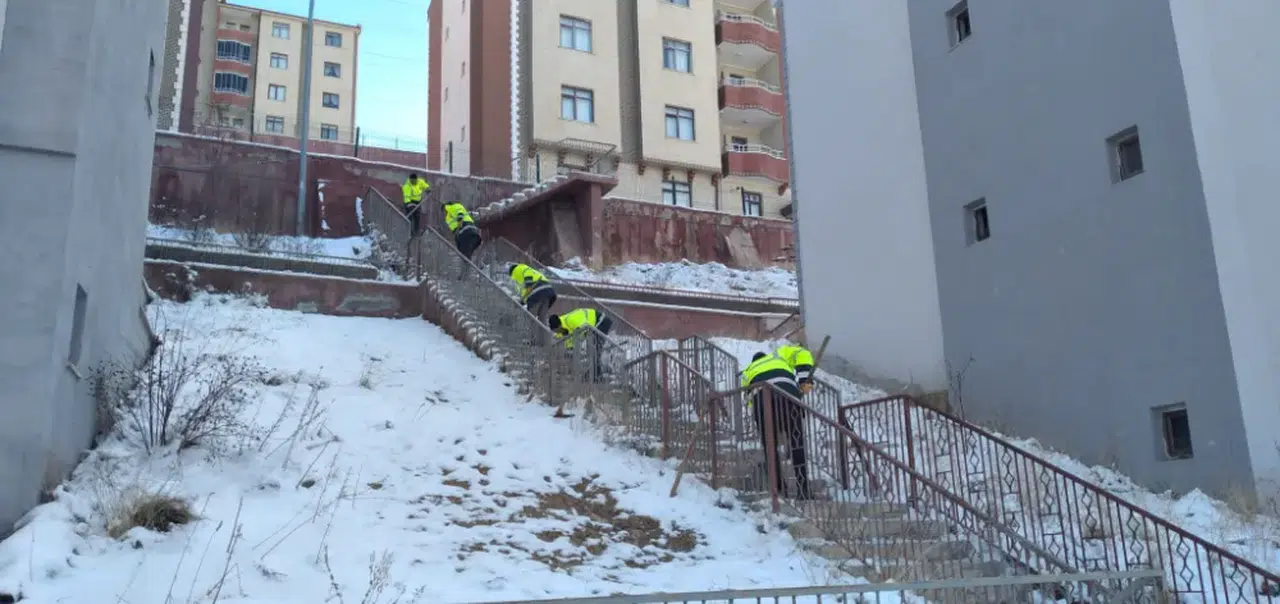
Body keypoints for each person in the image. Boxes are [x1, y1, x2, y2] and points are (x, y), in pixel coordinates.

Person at [741, 351, 812, 499]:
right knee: (796, 443)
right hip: (790, 398)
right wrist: (804, 380)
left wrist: (759, 419)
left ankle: (780, 488)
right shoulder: (780, 360)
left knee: (770, 447)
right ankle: (803, 488)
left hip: (764, 401)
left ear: (754, 360)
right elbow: (801, 352)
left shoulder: (748, 371)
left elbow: (749, 400)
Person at [549, 308, 614, 381]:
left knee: (593, 348)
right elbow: (569, 343)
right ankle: (593, 373)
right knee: (591, 348)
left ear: (559, 326)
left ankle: (596, 375)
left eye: (556, 330)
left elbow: (584, 328)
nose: (557, 333)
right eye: (555, 331)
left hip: (601, 321)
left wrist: (578, 345)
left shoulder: (571, 320)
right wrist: (570, 352)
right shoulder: (561, 332)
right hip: (591, 327)